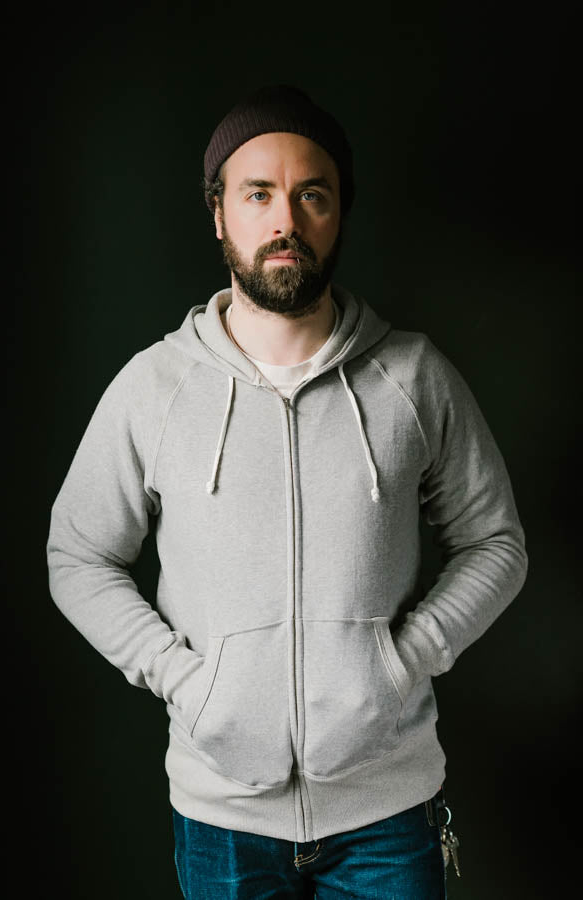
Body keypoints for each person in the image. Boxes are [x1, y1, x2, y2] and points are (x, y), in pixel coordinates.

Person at [46, 84, 528, 899]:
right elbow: (78, 555)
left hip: (388, 815)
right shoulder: (154, 387)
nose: (286, 221)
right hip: (223, 822)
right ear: (218, 213)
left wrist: (405, 661)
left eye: (313, 195)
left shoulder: (413, 376)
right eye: (258, 193)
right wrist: (184, 680)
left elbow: (497, 543)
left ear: (340, 214)